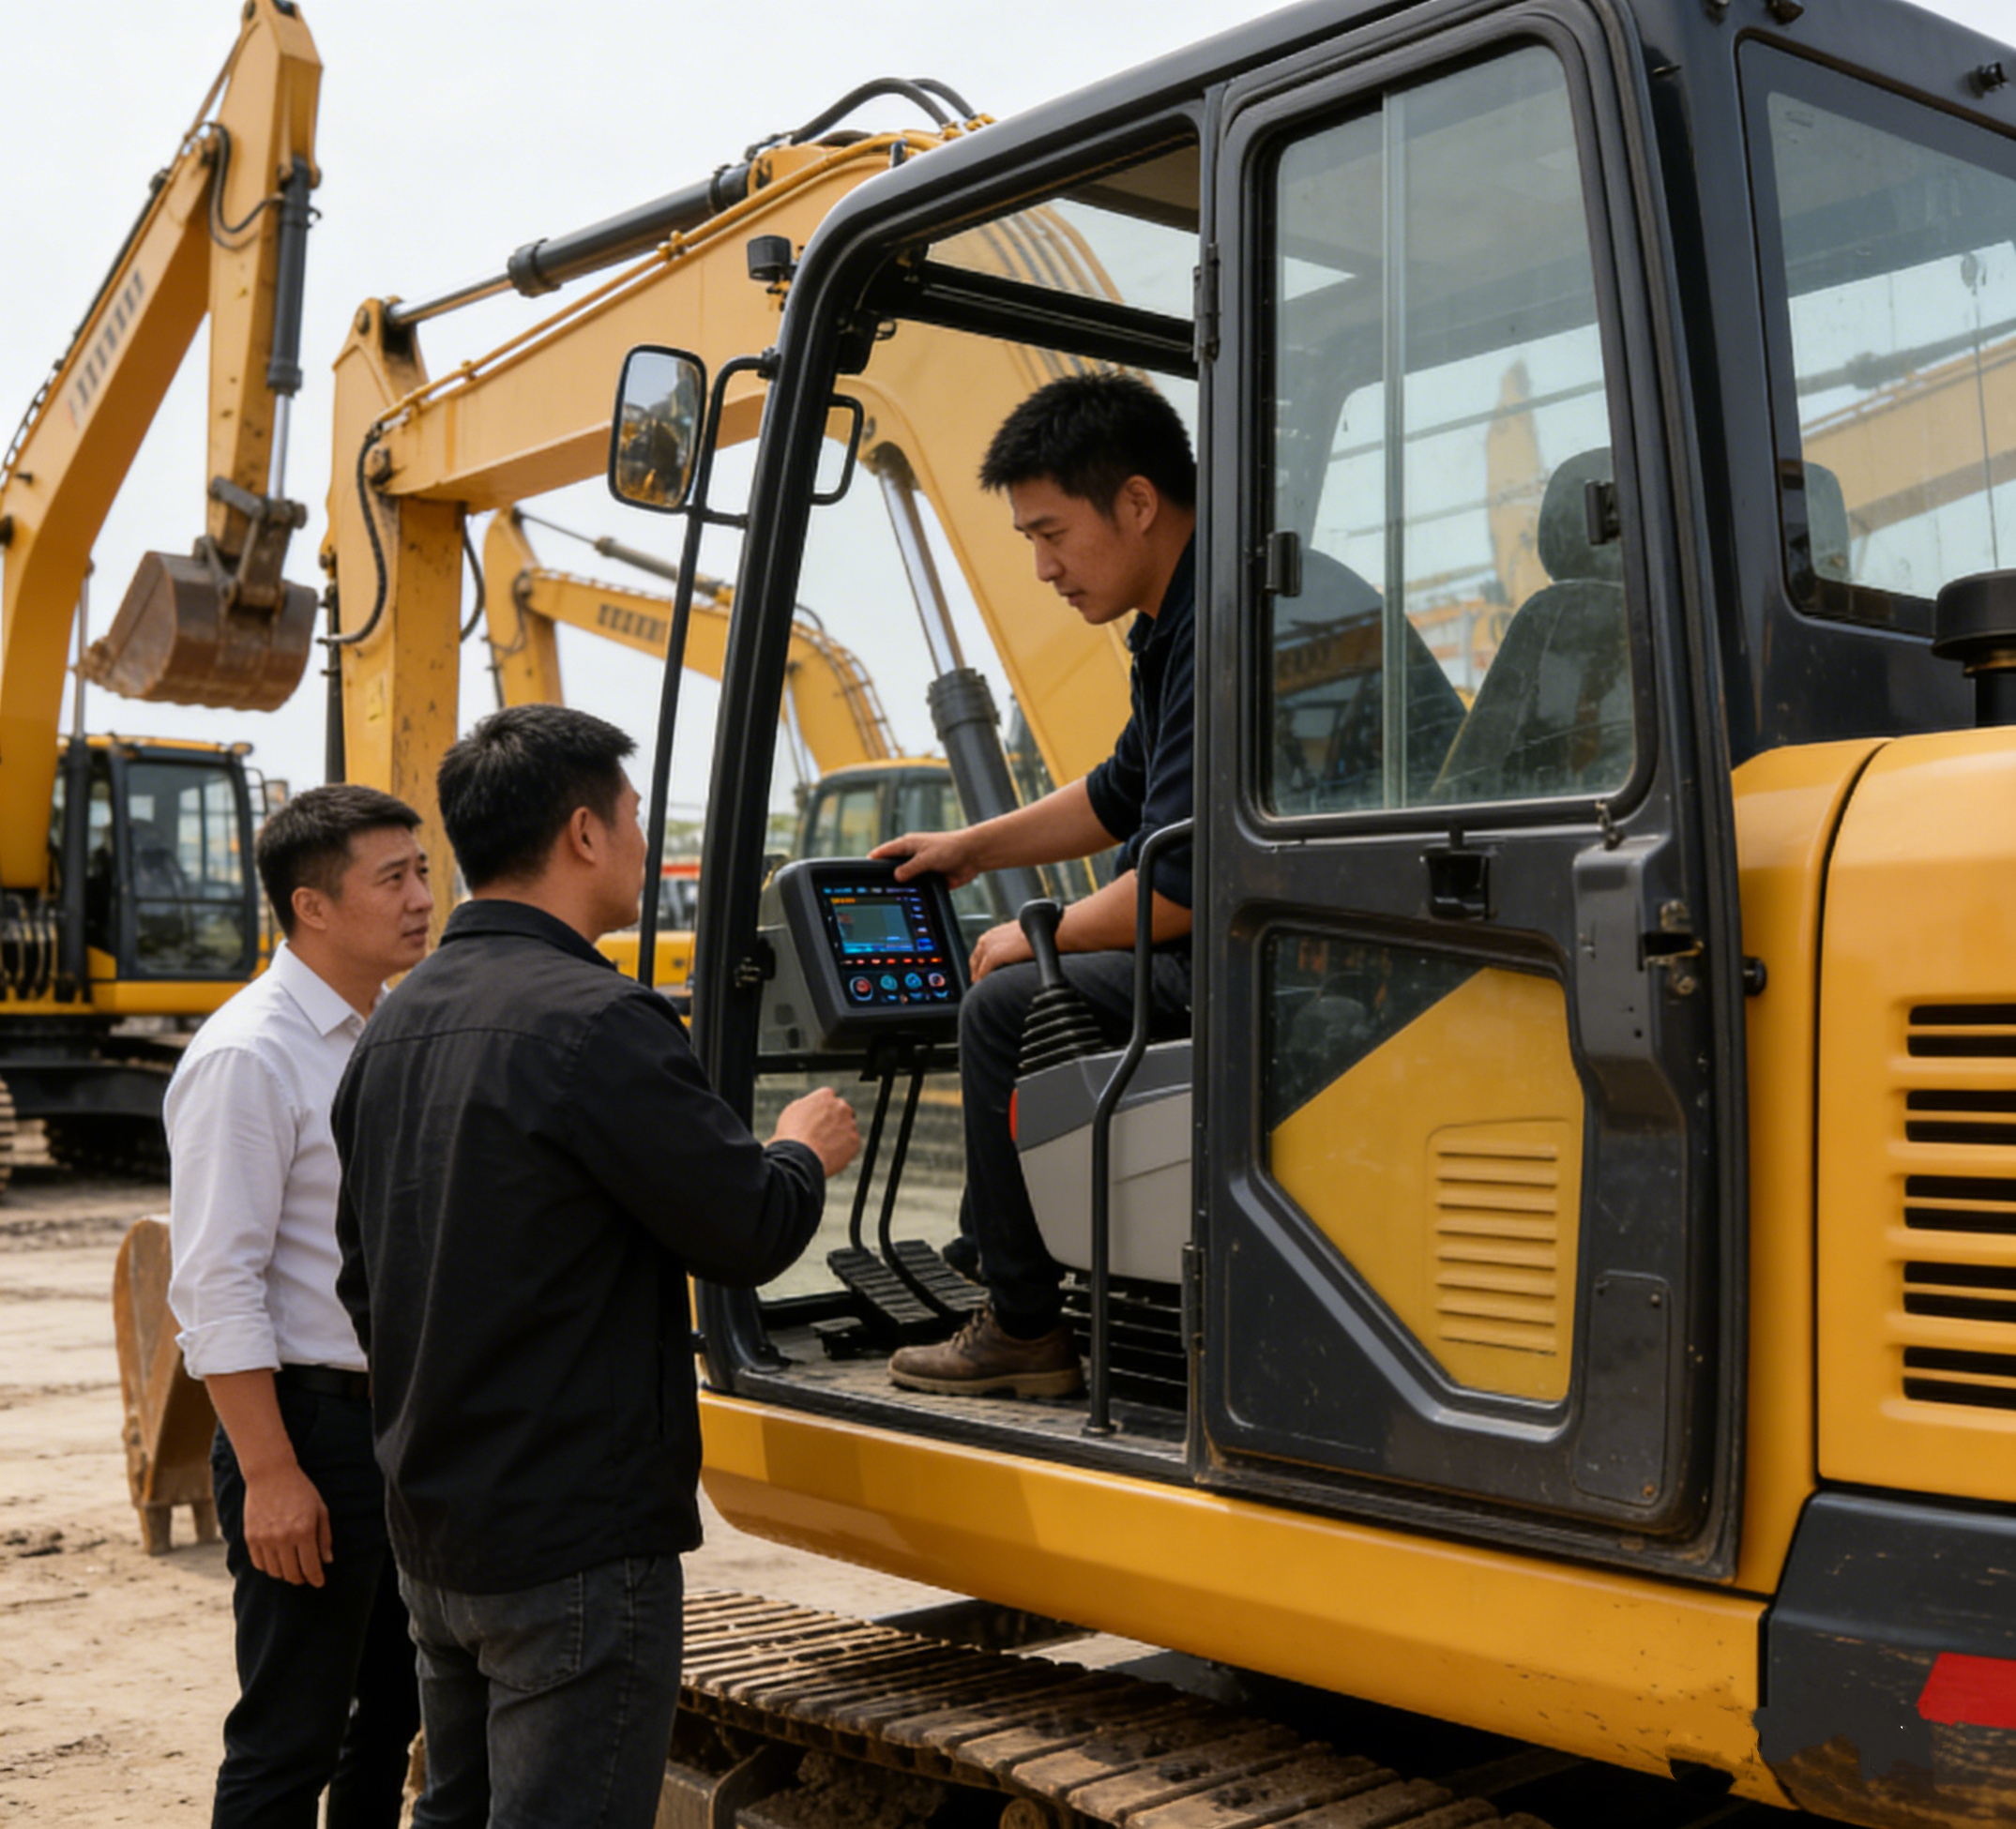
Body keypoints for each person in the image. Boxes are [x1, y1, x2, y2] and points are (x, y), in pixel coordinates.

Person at [330, 704, 859, 1829]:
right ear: (583, 832)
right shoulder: (600, 1021)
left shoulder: (393, 1027)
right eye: (631, 816)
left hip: (437, 1532)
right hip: (571, 1544)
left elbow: (364, 1282)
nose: (639, 841)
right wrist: (799, 1152)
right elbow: (746, 1227)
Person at [876, 371, 1196, 1398]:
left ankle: (1022, 1325)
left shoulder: (1226, 624)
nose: (1044, 568)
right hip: (1274, 937)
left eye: (1052, 534)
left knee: (1004, 1003)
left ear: (1137, 502)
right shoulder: (1187, 618)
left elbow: (1181, 888)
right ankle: (998, 1247)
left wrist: (1041, 932)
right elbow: (1118, 792)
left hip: (1275, 961)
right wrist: (972, 849)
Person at [165, 784, 432, 1829]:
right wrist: (273, 1475)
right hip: (307, 1430)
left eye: (422, 871)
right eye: (393, 878)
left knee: (392, 1717)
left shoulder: (387, 1027)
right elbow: (215, 1284)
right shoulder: (250, 1054)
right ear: (312, 906)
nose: (422, 898)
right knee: (290, 1737)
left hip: (396, 1424)